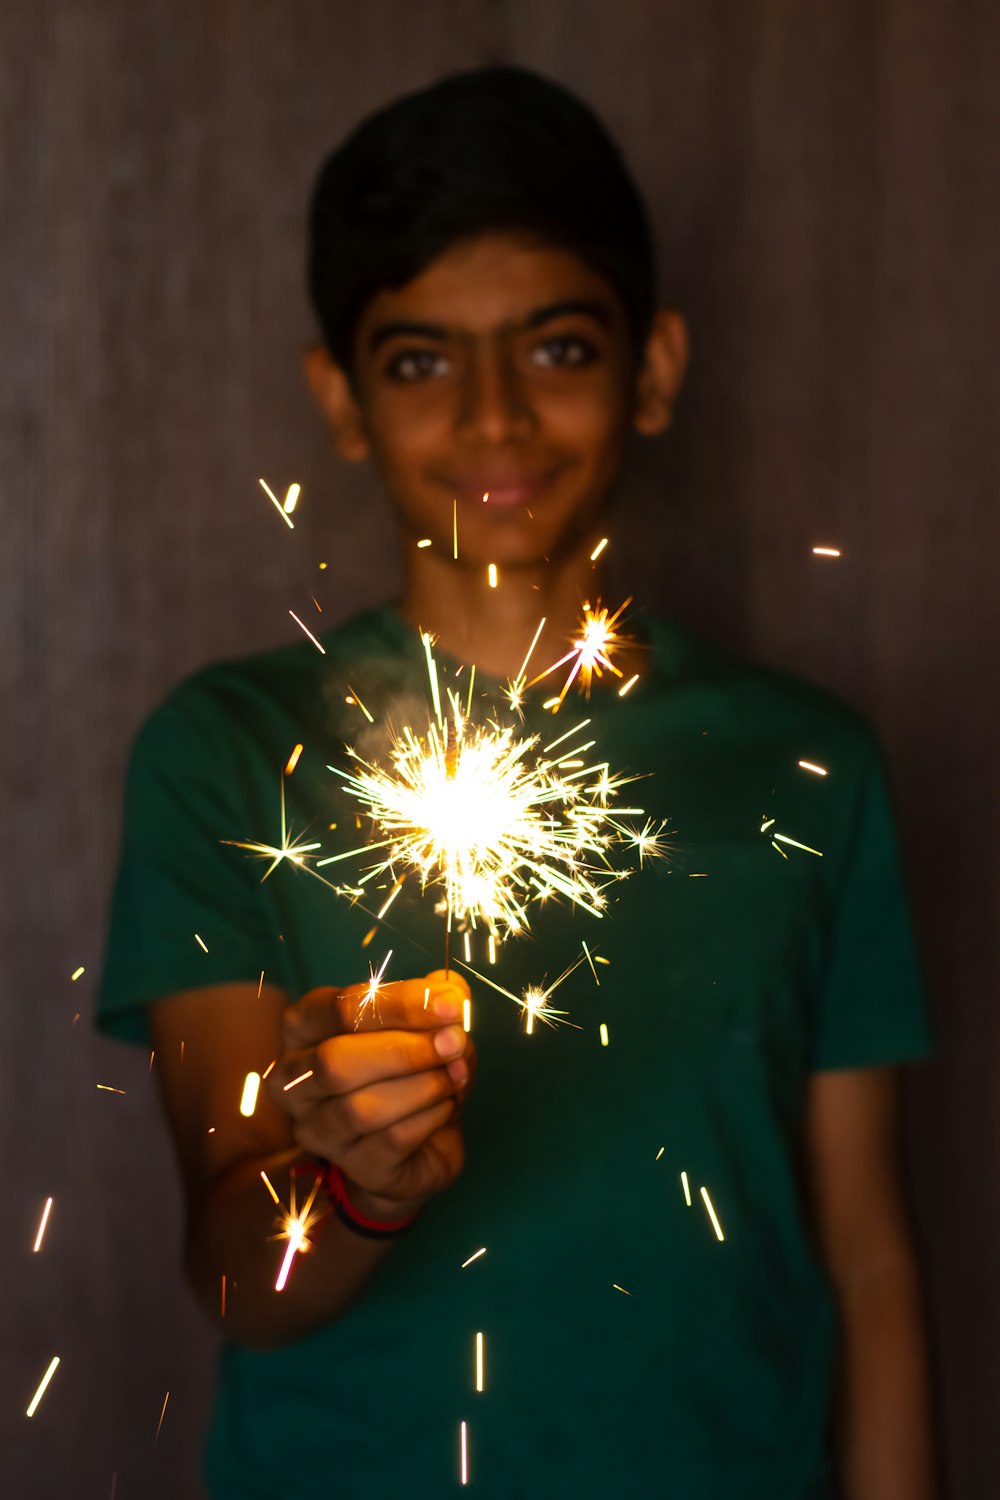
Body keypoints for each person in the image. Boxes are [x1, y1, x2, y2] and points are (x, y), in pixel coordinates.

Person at [96, 67, 936, 1499]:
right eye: (421, 360)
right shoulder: (232, 753)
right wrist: (354, 1183)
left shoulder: (811, 761)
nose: (493, 419)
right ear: (342, 399)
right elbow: (241, 1280)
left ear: (655, 369)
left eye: (554, 350)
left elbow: (863, 1252)